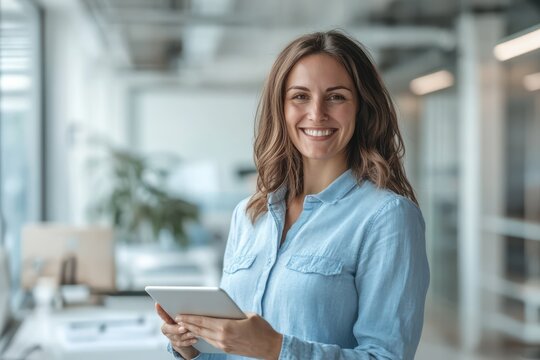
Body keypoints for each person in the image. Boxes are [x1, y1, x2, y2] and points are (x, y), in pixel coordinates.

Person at [156, 30, 430, 360]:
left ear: (361, 108)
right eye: (300, 96)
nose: (317, 113)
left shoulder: (387, 217)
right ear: (281, 108)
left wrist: (276, 349)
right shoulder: (249, 214)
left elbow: (387, 356)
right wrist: (191, 347)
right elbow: (229, 350)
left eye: (336, 97)